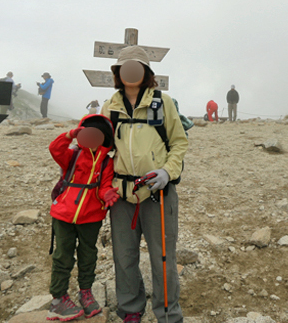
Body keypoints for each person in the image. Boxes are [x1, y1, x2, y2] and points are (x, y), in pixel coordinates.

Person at [102, 46, 188, 323]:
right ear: (118, 73)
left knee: (162, 258)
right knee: (124, 257)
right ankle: (130, 309)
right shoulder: (110, 107)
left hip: (158, 194)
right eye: (124, 68)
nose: (129, 73)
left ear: (147, 73)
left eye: (135, 67)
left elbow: (178, 143)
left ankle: (168, 314)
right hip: (122, 195)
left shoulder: (164, 103)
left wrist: (167, 172)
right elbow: (102, 152)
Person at [47, 114, 117, 321]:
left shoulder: (106, 162)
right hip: (63, 214)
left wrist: (106, 194)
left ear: (105, 139)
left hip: (91, 217)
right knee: (63, 255)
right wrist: (68, 135)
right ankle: (58, 299)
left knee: (88, 254)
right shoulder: (73, 155)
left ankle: (85, 292)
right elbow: (54, 149)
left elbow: (105, 186)